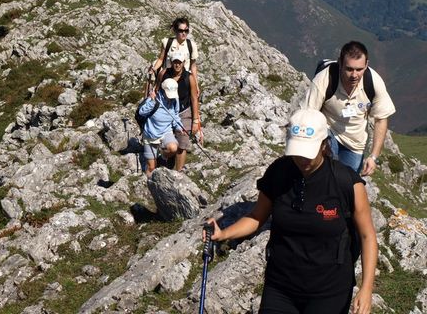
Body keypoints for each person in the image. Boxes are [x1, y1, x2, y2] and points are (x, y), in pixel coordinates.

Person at [203, 109, 377, 314]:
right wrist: (223, 234)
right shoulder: (278, 172)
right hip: (281, 287)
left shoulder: (346, 182)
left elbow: (367, 236)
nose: (302, 159)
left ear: (324, 145)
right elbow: (257, 216)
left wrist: (366, 289)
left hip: (330, 291)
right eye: (297, 151)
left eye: (308, 152)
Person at [302, 41, 395, 176]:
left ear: (366, 65)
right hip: (328, 130)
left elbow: (381, 119)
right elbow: (308, 115)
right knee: (326, 173)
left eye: (359, 69)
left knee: (347, 184)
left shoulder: (373, 82)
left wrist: (373, 157)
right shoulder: (324, 79)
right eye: (349, 69)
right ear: (340, 63)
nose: (354, 75)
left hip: (355, 142)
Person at [160, 50, 203, 171]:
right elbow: (157, 91)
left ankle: (178, 173)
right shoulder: (164, 73)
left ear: (184, 63)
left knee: (182, 143)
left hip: (184, 112)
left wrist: (195, 120)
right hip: (167, 112)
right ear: (171, 62)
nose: (177, 65)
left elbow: (194, 99)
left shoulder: (189, 78)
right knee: (169, 141)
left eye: (180, 62)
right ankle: (166, 160)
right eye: (175, 62)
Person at [138, 78, 184, 176]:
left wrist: (179, 127)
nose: (170, 97)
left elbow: (175, 115)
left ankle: (162, 158)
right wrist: (152, 101)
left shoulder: (175, 101)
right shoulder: (154, 99)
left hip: (166, 132)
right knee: (151, 167)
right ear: (163, 90)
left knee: (173, 148)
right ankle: (148, 185)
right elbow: (141, 112)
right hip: (151, 134)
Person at [148, 17, 200, 94]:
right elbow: (161, 59)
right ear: (175, 30)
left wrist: (196, 85)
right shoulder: (167, 42)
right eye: (181, 30)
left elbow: (193, 66)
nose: (184, 33)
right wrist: (153, 69)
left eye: (186, 30)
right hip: (167, 79)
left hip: (183, 81)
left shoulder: (192, 45)